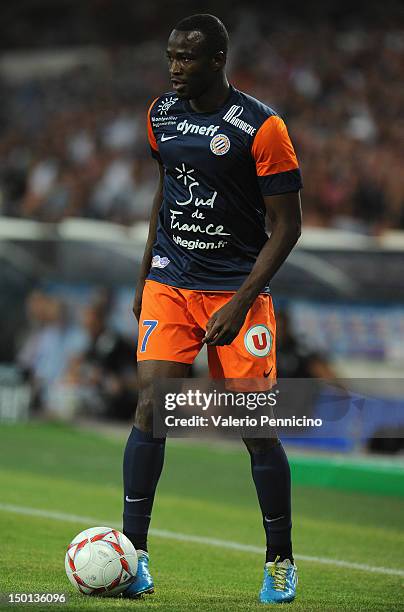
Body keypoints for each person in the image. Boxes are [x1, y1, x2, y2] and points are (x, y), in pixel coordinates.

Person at [122, 14, 302, 604]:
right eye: (170, 55)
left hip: (236, 290)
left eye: (186, 58)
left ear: (217, 60)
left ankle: (280, 562)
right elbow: (166, 187)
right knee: (151, 409)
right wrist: (147, 267)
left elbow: (287, 225)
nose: (174, 67)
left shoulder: (261, 127)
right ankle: (132, 556)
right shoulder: (160, 115)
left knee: (254, 429)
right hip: (171, 283)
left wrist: (243, 300)